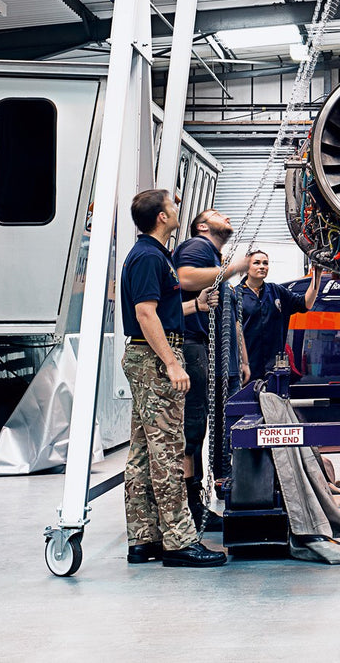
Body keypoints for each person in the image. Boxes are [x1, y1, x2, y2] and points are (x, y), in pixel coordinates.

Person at [120, 188, 226, 568]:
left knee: (142, 452)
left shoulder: (152, 255)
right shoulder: (149, 256)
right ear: (162, 217)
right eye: (172, 203)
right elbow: (145, 314)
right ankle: (179, 542)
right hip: (154, 358)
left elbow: (158, 309)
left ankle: (143, 538)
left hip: (147, 355)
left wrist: (195, 305)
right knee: (167, 449)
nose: (177, 206)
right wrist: (172, 363)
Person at [173, 208, 249, 529]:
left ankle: (196, 507)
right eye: (218, 214)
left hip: (201, 347)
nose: (227, 217)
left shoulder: (212, 255)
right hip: (192, 345)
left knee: (199, 428)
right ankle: (190, 510)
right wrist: (233, 268)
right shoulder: (198, 245)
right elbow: (185, 277)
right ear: (203, 226)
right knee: (191, 431)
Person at [237, 251, 321, 381]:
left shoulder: (276, 291)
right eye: (256, 263)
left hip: (274, 368)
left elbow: (305, 304)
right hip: (247, 368)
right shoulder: (236, 295)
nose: (262, 266)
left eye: (265, 263)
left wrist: (317, 275)